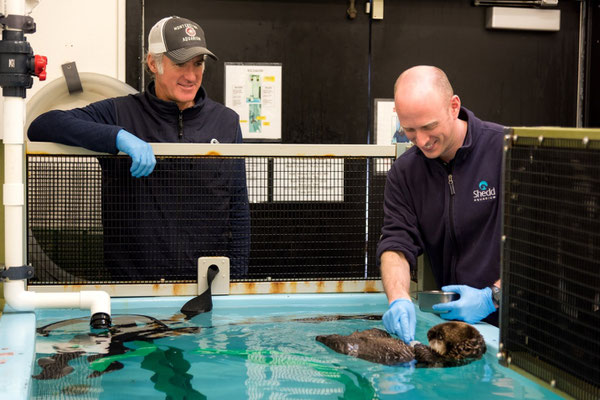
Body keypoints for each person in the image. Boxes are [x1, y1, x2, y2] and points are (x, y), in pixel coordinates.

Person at [28, 16, 250, 281]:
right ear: (153, 63)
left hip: (207, 287)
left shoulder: (225, 121)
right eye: (180, 63)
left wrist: (237, 280)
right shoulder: (120, 112)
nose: (191, 76)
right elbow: (43, 125)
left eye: (198, 64)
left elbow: (238, 207)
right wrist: (118, 137)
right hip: (133, 289)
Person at [377, 65, 503, 344]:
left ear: (453, 106)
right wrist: (398, 298)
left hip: (519, 328)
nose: (421, 141)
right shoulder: (405, 173)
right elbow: (396, 243)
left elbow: (542, 250)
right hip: (457, 329)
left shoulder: (507, 152)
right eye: (409, 130)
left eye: (429, 126)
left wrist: (494, 296)